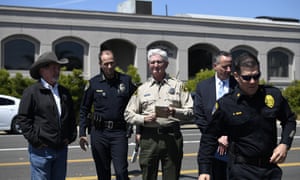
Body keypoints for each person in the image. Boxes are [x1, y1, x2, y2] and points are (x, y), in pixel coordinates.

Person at [198, 52, 297, 180]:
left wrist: (285, 144)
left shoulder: (272, 95)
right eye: (247, 77)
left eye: (256, 76)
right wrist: (204, 170)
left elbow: (289, 120)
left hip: (270, 169)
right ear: (236, 76)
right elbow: (209, 137)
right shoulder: (227, 104)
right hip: (242, 170)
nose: (252, 81)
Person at [124, 48, 194, 180]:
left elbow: (191, 111)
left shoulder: (178, 86)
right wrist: (144, 119)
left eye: (159, 62)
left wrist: (174, 111)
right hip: (149, 138)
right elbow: (128, 114)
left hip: (172, 136)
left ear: (166, 64)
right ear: (149, 65)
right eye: (152, 62)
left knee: (172, 176)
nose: (156, 65)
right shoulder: (142, 88)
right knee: (148, 175)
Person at [17, 51, 77, 180]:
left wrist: (71, 136)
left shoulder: (64, 92)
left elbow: (71, 116)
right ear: (42, 70)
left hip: (61, 150)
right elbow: (23, 119)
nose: (57, 71)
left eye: (58, 68)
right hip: (41, 151)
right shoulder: (32, 92)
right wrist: (36, 141)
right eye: (53, 68)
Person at [79, 48, 136, 180]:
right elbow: (84, 109)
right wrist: (82, 133)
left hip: (119, 133)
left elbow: (138, 103)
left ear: (115, 63)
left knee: (121, 172)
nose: (109, 66)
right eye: (106, 64)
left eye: (112, 63)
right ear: (100, 65)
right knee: (103, 173)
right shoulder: (93, 83)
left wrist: (138, 128)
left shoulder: (126, 81)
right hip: (99, 133)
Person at [193, 51, 236, 179]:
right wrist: (216, 137)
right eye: (224, 67)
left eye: (230, 66)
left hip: (234, 145)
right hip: (210, 145)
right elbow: (199, 116)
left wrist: (227, 136)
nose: (229, 70)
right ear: (215, 66)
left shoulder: (238, 85)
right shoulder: (203, 87)